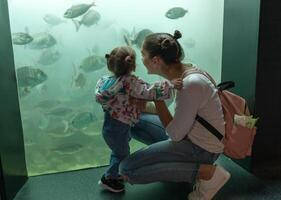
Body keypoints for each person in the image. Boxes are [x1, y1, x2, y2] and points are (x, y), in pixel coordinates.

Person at [119, 30, 231, 200]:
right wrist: (132, 104)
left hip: (202, 149)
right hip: (190, 137)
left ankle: (207, 173)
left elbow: (175, 134)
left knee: (127, 169)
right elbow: (171, 114)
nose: (140, 59)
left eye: (143, 54)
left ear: (156, 60)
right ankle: (177, 169)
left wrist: (157, 98)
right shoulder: (183, 72)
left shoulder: (190, 84)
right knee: (134, 119)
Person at [95, 46, 183, 193]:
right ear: (133, 65)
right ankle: (109, 178)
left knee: (118, 150)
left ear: (111, 63)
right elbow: (149, 91)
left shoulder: (105, 81)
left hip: (110, 125)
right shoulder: (128, 82)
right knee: (121, 154)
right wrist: (171, 84)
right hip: (119, 127)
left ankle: (112, 174)